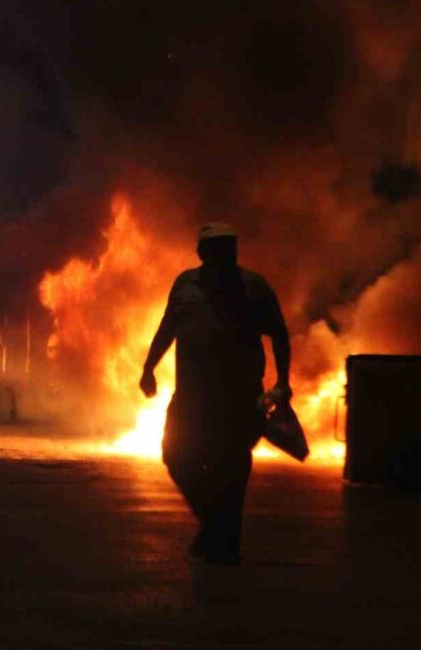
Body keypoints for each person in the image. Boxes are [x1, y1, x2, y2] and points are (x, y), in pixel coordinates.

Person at [139, 222, 291, 566]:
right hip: (191, 395)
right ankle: (213, 524)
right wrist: (149, 367)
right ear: (202, 252)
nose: (225, 252)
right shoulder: (186, 284)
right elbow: (168, 326)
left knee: (233, 468)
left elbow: (279, 335)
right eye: (218, 247)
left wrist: (282, 381)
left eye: (230, 245)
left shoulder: (254, 288)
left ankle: (225, 542)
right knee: (175, 454)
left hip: (240, 397)